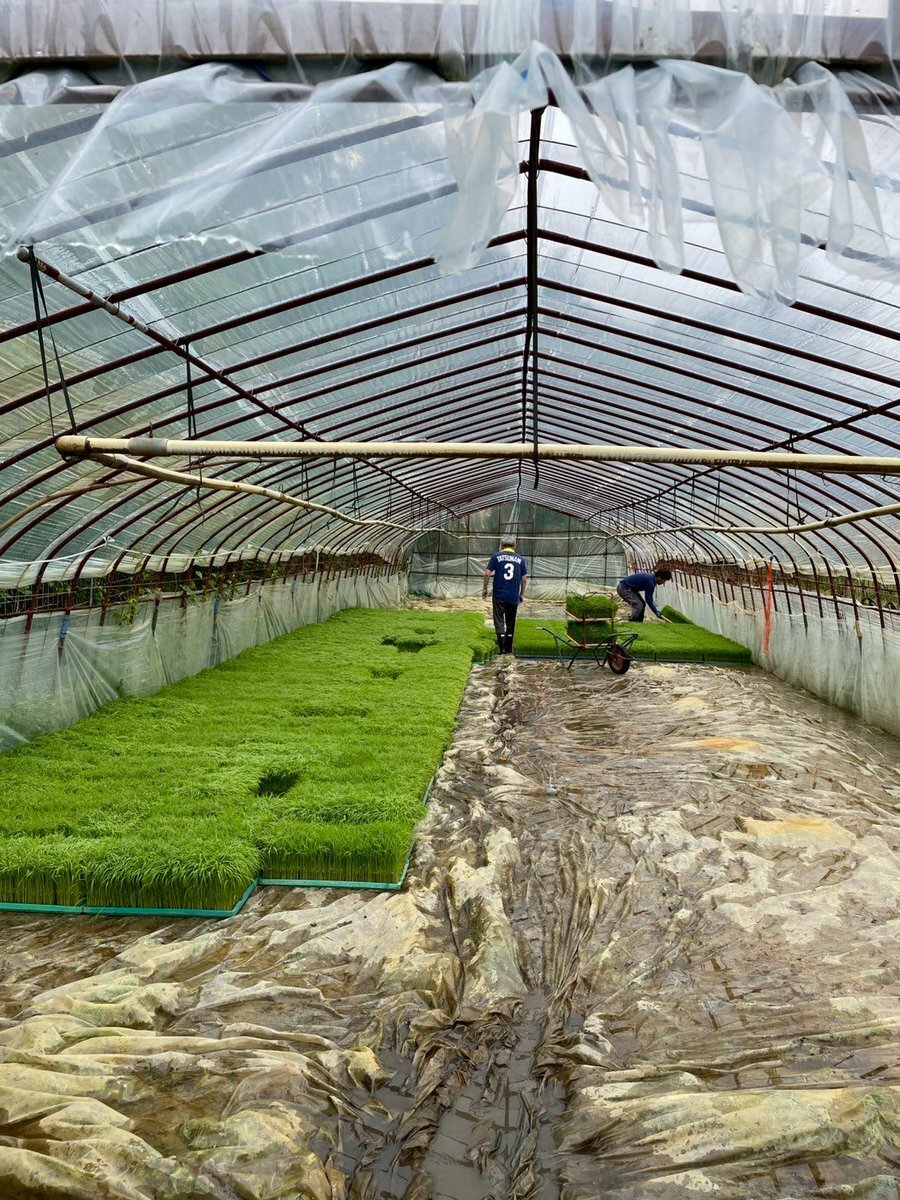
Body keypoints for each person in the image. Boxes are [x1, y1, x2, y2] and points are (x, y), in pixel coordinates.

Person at [483, 538, 527, 654]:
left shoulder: (496, 556)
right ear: (514, 546)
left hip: (499, 595)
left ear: (502, 546)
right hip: (513, 595)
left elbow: (487, 573)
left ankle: (501, 647)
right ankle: (508, 648)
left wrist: (485, 588)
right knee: (510, 622)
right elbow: (524, 579)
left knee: (499, 621)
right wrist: (522, 594)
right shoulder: (520, 559)